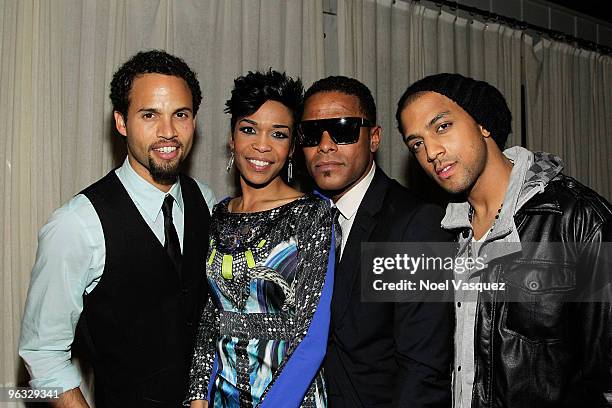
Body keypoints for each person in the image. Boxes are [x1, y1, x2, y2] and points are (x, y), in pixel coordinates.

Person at [396, 72, 612, 407]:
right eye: (417, 144)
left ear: (483, 124)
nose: (432, 152)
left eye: (442, 127)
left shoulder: (579, 220)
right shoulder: (442, 233)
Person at [19, 50, 216, 407]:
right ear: (121, 122)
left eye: (180, 115)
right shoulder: (77, 224)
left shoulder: (206, 198)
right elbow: (43, 352)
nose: (168, 132)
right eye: (149, 115)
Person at [299, 75, 454, 408]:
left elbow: (423, 371)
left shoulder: (414, 225)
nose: (325, 145)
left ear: (374, 138)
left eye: (343, 129)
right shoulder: (301, 220)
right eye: (312, 133)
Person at [186, 70, 335, 408]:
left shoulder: (311, 213)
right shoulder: (218, 215)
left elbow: (312, 335)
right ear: (231, 138)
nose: (261, 145)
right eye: (249, 129)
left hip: (290, 396)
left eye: (278, 134)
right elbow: (211, 315)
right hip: (222, 395)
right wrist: (197, 396)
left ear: (293, 145)